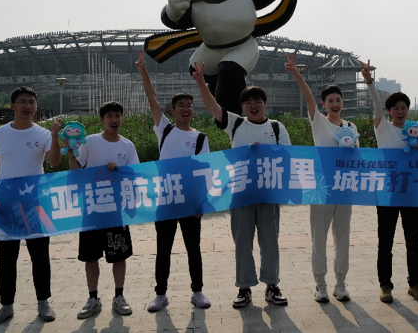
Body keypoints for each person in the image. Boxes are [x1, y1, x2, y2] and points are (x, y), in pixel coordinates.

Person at [191, 61, 291, 309]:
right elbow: (212, 106)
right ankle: (244, 287)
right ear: (242, 106)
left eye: (257, 101)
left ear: (265, 104)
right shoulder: (235, 124)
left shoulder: (277, 128)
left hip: (268, 195)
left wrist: (266, 152)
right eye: (248, 102)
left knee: (270, 242)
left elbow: (288, 158)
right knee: (242, 242)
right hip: (240, 194)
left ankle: (271, 285)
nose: (253, 105)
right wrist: (202, 83)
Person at [0, 86, 62, 326]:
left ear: (36, 106)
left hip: (35, 202)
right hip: (4, 202)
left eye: (32, 102)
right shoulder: (0, 134)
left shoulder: (44, 134)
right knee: (6, 257)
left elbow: (54, 161)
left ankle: (43, 302)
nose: (28, 106)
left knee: (40, 256)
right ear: (12, 106)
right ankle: (6, 306)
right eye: (23, 102)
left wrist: (55, 137)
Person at [135, 51, 212, 311]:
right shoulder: (165, 129)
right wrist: (143, 70)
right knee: (163, 249)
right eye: (181, 106)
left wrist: (202, 203)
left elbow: (204, 172)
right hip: (166, 199)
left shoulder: (201, 138)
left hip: (190, 202)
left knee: (194, 249)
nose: (186, 109)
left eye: (189, 105)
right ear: (173, 111)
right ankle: (160, 294)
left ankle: (198, 292)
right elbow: (151, 97)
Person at [285, 52, 358, 303]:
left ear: (342, 102)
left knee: (343, 236)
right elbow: (307, 96)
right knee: (319, 236)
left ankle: (341, 283)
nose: (335, 104)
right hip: (321, 187)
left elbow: (357, 157)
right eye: (330, 100)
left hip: (344, 187)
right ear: (324, 104)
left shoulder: (351, 127)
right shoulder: (318, 122)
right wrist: (296, 73)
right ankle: (320, 284)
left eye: (338, 99)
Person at [361, 61, 418, 303]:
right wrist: (369, 82)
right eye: (396, 108)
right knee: (385, 241)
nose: (401, 111)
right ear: (389, 111)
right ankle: (385, 285)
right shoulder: (383, 128)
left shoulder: (416, 133)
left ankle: (415, 284)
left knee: (414, 241)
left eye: (404, 107)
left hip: (411, 192)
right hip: (387, 191)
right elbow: (376, 106)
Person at [70, 101, 139, 319]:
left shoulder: (127, 146)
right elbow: (75, 171)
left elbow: (135, 174)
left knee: (119, 255)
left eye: (118, 116)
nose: (114, 120)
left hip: (115, 210)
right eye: (109, 116)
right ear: (102, 120)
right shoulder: (89, 142)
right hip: (91, 208)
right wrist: (71, 152)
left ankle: (119, 297)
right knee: (91, 256)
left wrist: (119, 170)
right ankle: (93, 298)